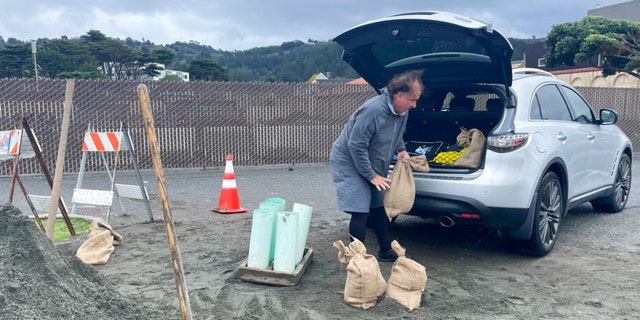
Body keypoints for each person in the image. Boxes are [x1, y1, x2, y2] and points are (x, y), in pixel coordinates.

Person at [329, 69, 424, 262]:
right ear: (398, 95)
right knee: (360, 206)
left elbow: (396, 134)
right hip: (349, 159)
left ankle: (385, 251)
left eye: (416, 99)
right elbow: (355, 145)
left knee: (377, 204)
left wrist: (401, 150)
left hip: (372, 159)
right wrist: (372, 176)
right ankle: (356, 260)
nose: (415, 105)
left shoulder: (402, 111)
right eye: (412, 99)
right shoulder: (373, 111)